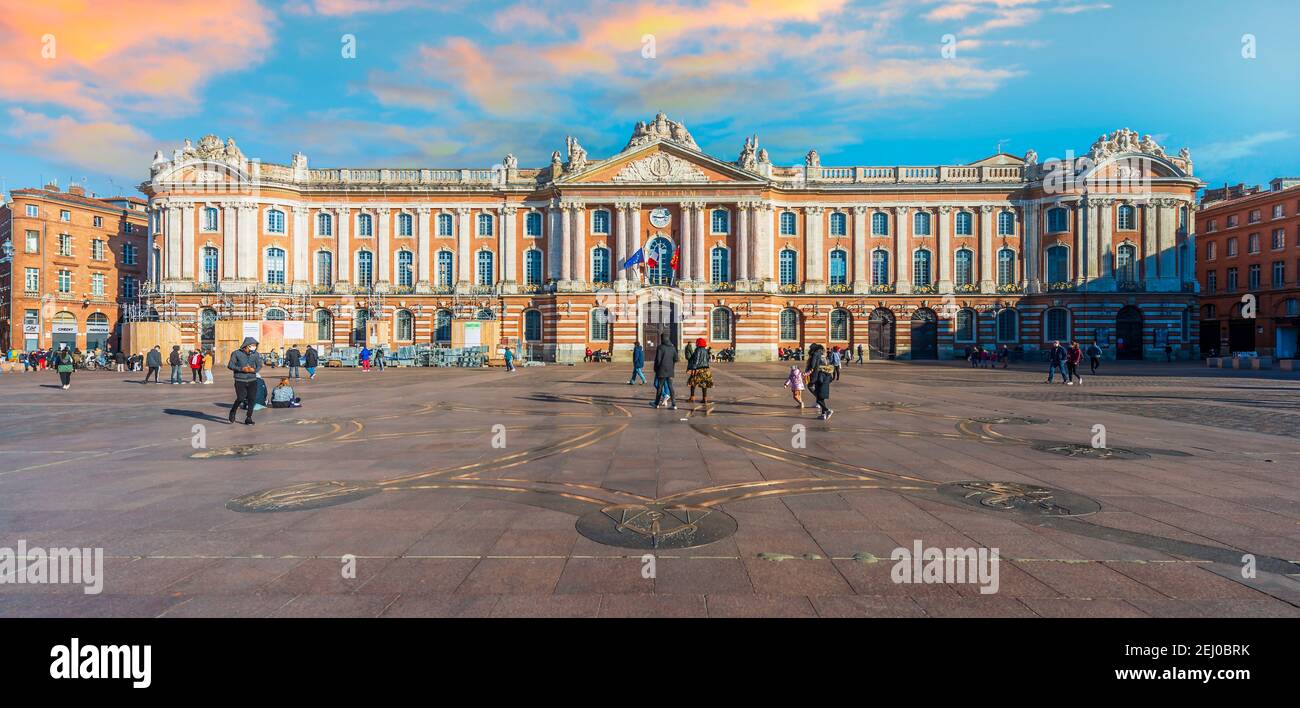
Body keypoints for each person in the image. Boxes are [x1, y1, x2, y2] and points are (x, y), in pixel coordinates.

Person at [227, 337, 261, 425]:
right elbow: (230, 365)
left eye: (255, 345)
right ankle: (233, 411)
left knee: (252, 399)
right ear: (247, 345)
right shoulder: (236, 353)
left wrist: (254, 370)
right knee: (241, 398)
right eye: (253, 345)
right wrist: (242, 369)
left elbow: (259, 365)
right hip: (240, 380)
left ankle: (248, 417)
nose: (255, 347)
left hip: (252, 379)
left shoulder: (256, 354)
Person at [805, 343, 834, 420]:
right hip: (826, 377)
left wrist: (808, 371)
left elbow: (813, 365)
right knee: (821, 397)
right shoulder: (823, 356)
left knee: (818, 396)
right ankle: (823, 414)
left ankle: (827, 410)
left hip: (819, 377)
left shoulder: (815, 354)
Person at [651, 334, 678, 410]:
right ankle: (674, 404)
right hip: (670, 371)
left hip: (661, 371)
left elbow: (658, 360)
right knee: (671, 387)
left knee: (660, 387)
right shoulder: (673, 348)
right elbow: (676, 359)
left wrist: (656, 369)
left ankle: (656, 404)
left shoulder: (660, 347)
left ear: (662, 339)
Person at [686, 337, 713, 404]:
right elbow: (707, 360)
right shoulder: (705, 350)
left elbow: (696, 360)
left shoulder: (698, 350)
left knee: (692, 382)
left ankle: (692, 397)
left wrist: (693, 369)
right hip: (706, 369)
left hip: (698, 369)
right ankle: (705, 398)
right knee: (704, 384)